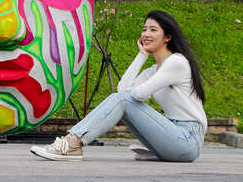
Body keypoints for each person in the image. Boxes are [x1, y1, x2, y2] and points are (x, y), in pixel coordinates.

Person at [30, 10, 206, 162]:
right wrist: (142, 55)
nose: (146, 34)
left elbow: (136, 95)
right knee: (123, 99)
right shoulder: (155, 70)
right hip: (176, 136)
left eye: (153, 30)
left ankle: (72, 142)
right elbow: (123, 89)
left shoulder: (177, 62)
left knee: (124, 101)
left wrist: (130, 96)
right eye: (144, 29)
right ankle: (71, 142)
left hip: (187, 138)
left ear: (167, 37)